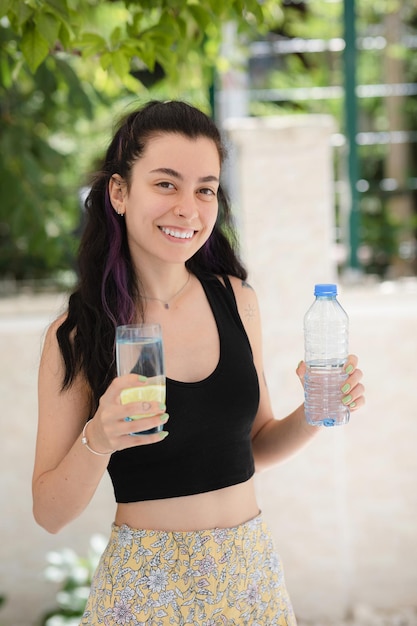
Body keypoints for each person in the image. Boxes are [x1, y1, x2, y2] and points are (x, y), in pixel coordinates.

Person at [33, 100, 365, 625]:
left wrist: (318, 409)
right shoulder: (79, 333)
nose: (188, 208)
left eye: (205, 188)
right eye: (166, 184)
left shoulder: (236, 300)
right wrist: (99, 435)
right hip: (146, 591)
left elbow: (254, 446)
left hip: (250, 582)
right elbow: (49, 512)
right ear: (119, 192)